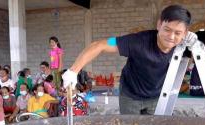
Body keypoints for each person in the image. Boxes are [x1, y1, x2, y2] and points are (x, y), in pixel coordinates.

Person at [62, 5, 195, 115]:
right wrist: (73, 71)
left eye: (178, 33)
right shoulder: (136, 41)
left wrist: (196, 43)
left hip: (157, 97)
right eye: (167, 30)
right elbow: (100, 45)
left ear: (185, 33)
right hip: (130, 95)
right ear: (159, 24)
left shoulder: (182, 47)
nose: (171, 37)